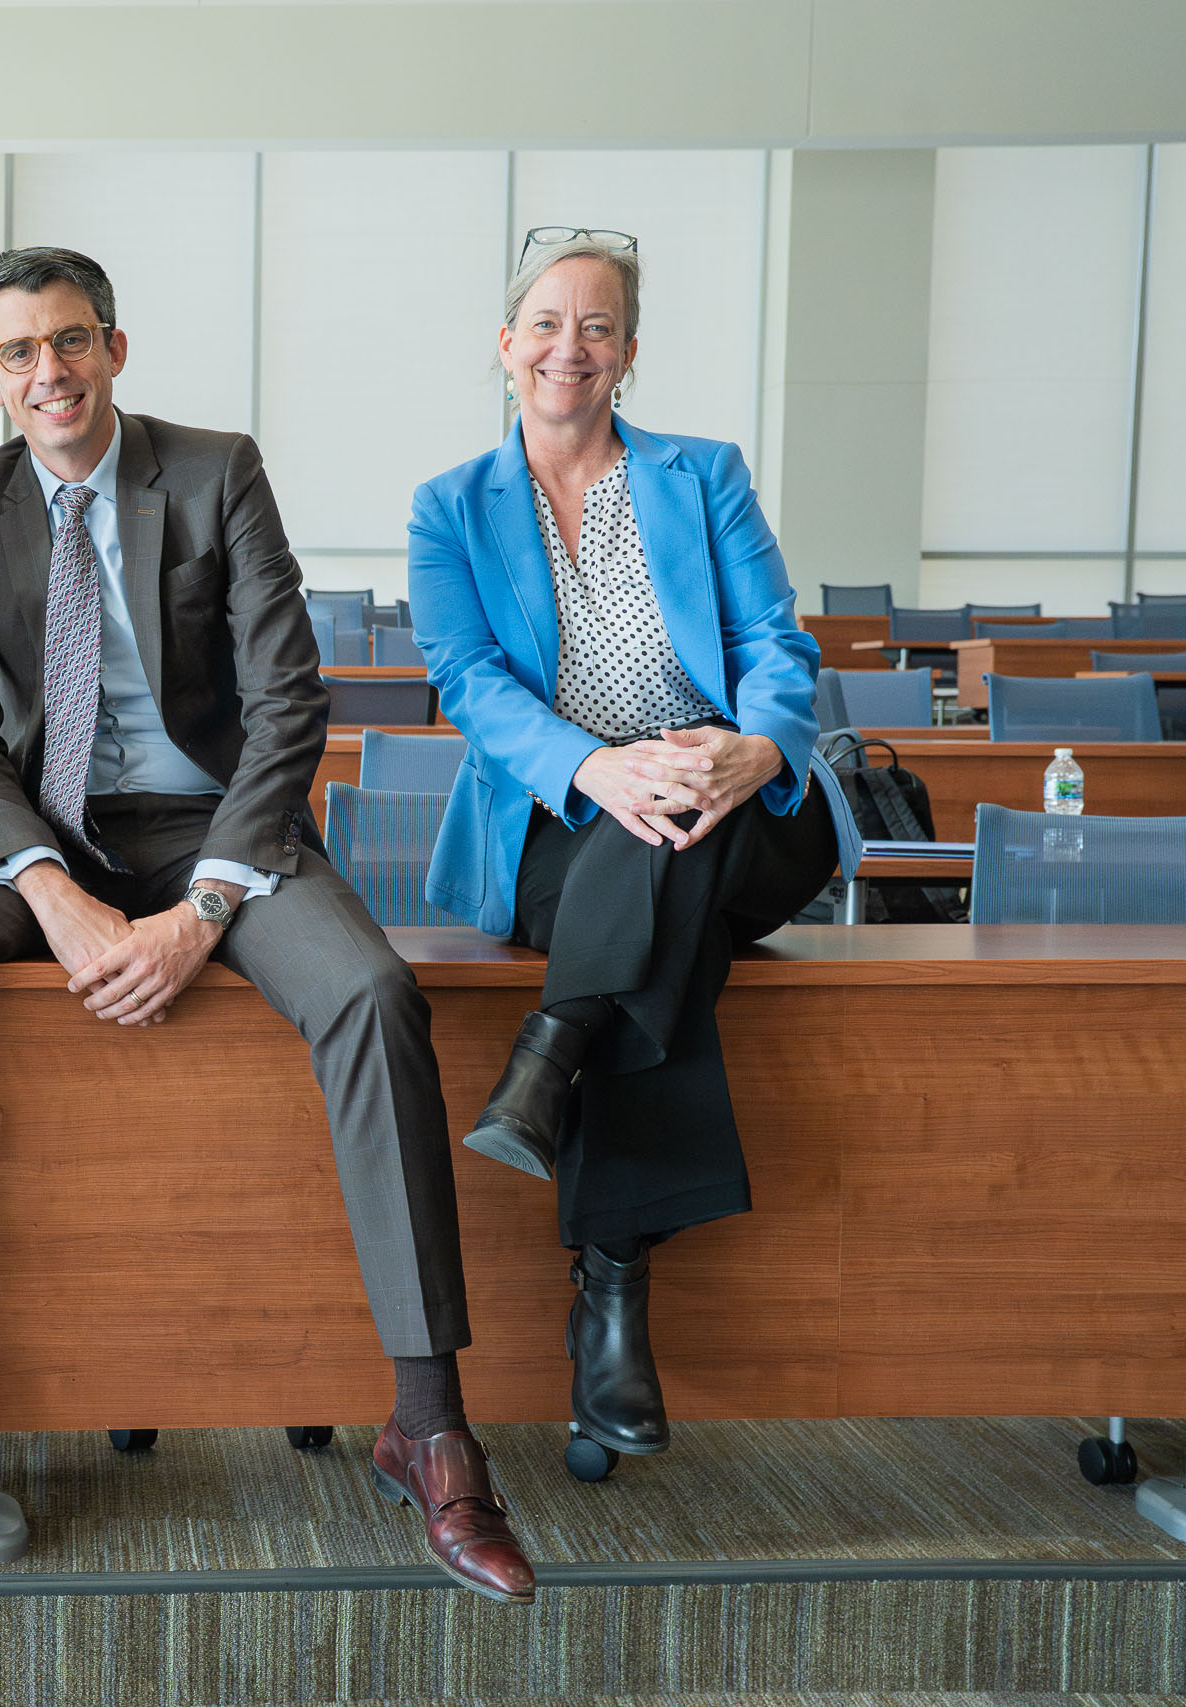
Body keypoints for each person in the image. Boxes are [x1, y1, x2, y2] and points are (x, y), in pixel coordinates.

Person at [0, 247, 534, 1604]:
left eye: (71, 341)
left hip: (214, 827)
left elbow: (289, 702)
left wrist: (204, 908)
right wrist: (50, 892)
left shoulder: (214, 468)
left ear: (116, 348)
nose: (47, 372)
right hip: (42, 832)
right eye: (18, 352)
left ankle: (428, 1416)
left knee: (371, 993)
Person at [407, 229, 834, 1470]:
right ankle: (608, 1286)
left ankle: (559, 1046)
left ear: (628, 355)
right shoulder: (450, 507)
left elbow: (773, 641)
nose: (568, 348)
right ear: (505, 346)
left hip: (740, 806)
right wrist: (596, 766)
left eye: (596, 328)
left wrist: (754, 750)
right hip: (558, 823)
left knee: (687, 795)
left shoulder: (702, 475)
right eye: (546, 323)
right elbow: (467, 678)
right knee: (657, 864)